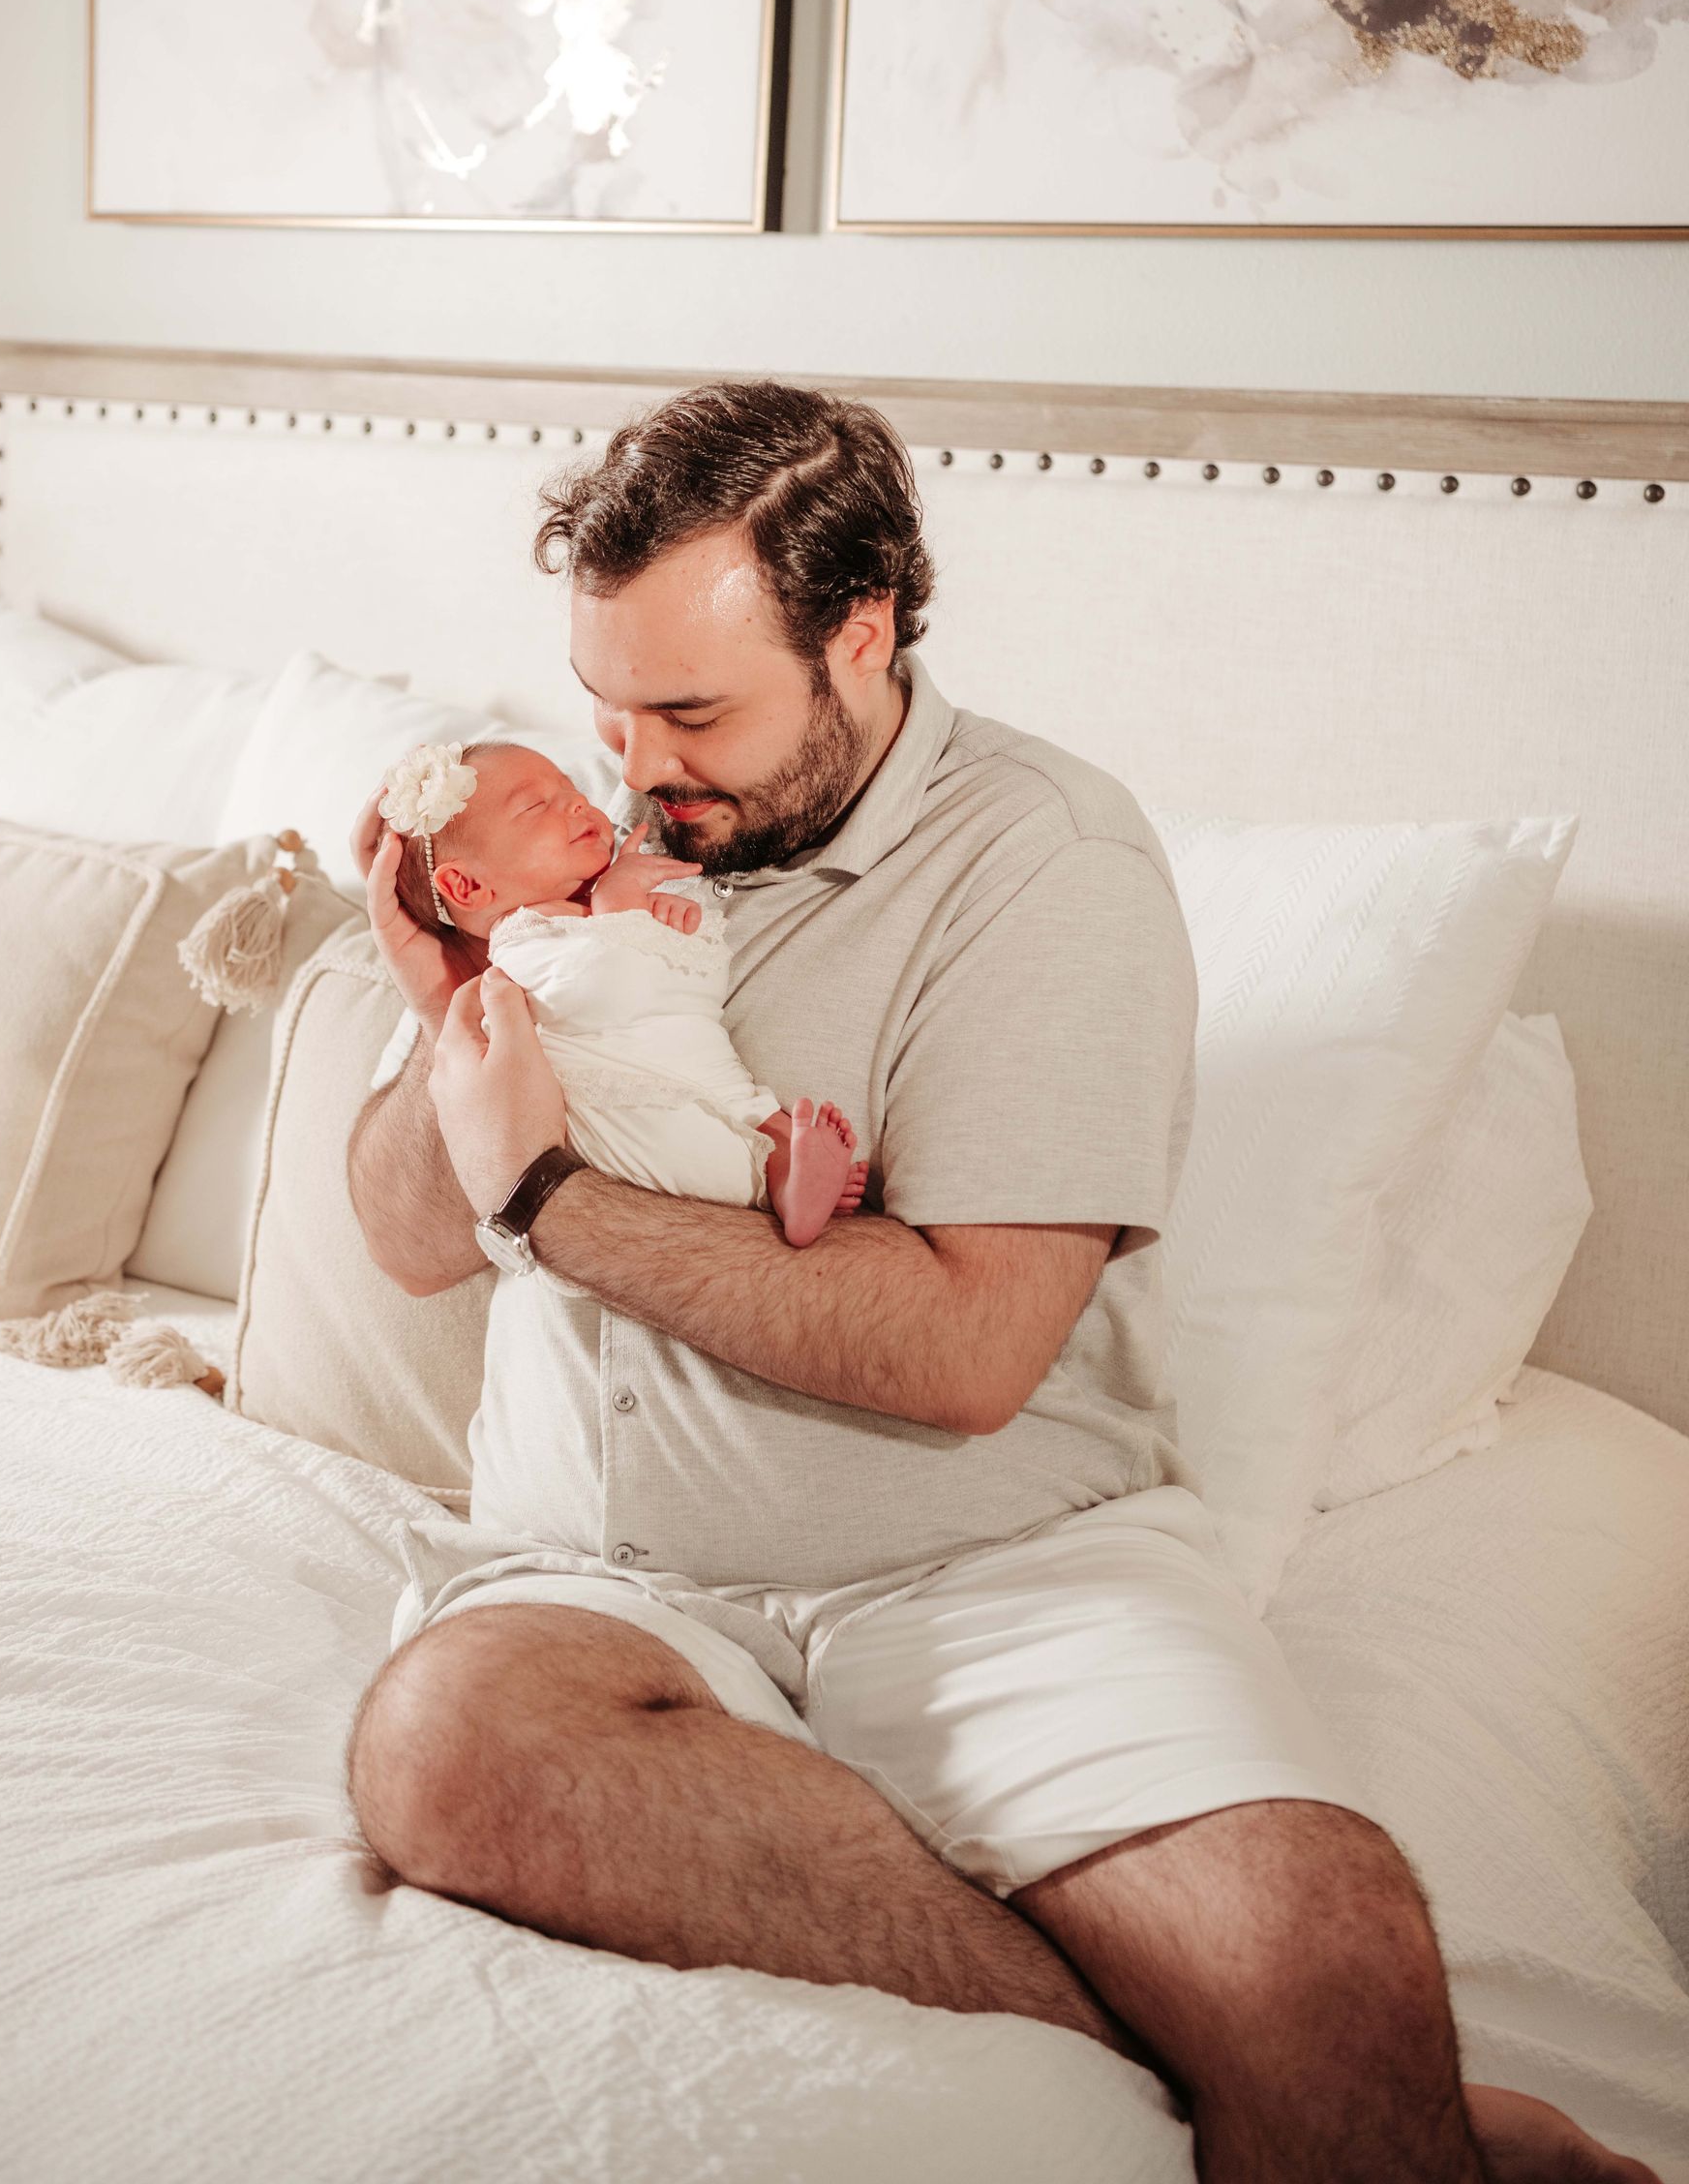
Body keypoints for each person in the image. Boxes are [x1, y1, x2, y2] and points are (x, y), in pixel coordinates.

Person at [343, 379, 1655, 2184]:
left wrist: (553, 1199)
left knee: (1316, 1951)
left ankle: (1313, 2058)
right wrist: (445, 1010)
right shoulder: (575, 871)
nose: (634, 766)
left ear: (860, 637)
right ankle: (1223, 2063)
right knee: (443, 1745)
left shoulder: (1046, 862)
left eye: (694, 710)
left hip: (986, 1568)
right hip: (604, 1571)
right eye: (606, 708)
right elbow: (411, 1235)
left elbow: (966, 1346)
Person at [378, 734, 867, 1244]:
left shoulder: (581, 917)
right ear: (469, 888)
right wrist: (624, 906)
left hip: (690, 1063)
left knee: (749, 1107)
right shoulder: (519, 942)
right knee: (696, 1131)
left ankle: (791, 1173)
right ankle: (778, 1182)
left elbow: (673, 980)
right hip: (633, 1121)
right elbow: (598, 987)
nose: (576, 801)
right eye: (535, 805)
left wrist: (665, 925)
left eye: (569, 787)